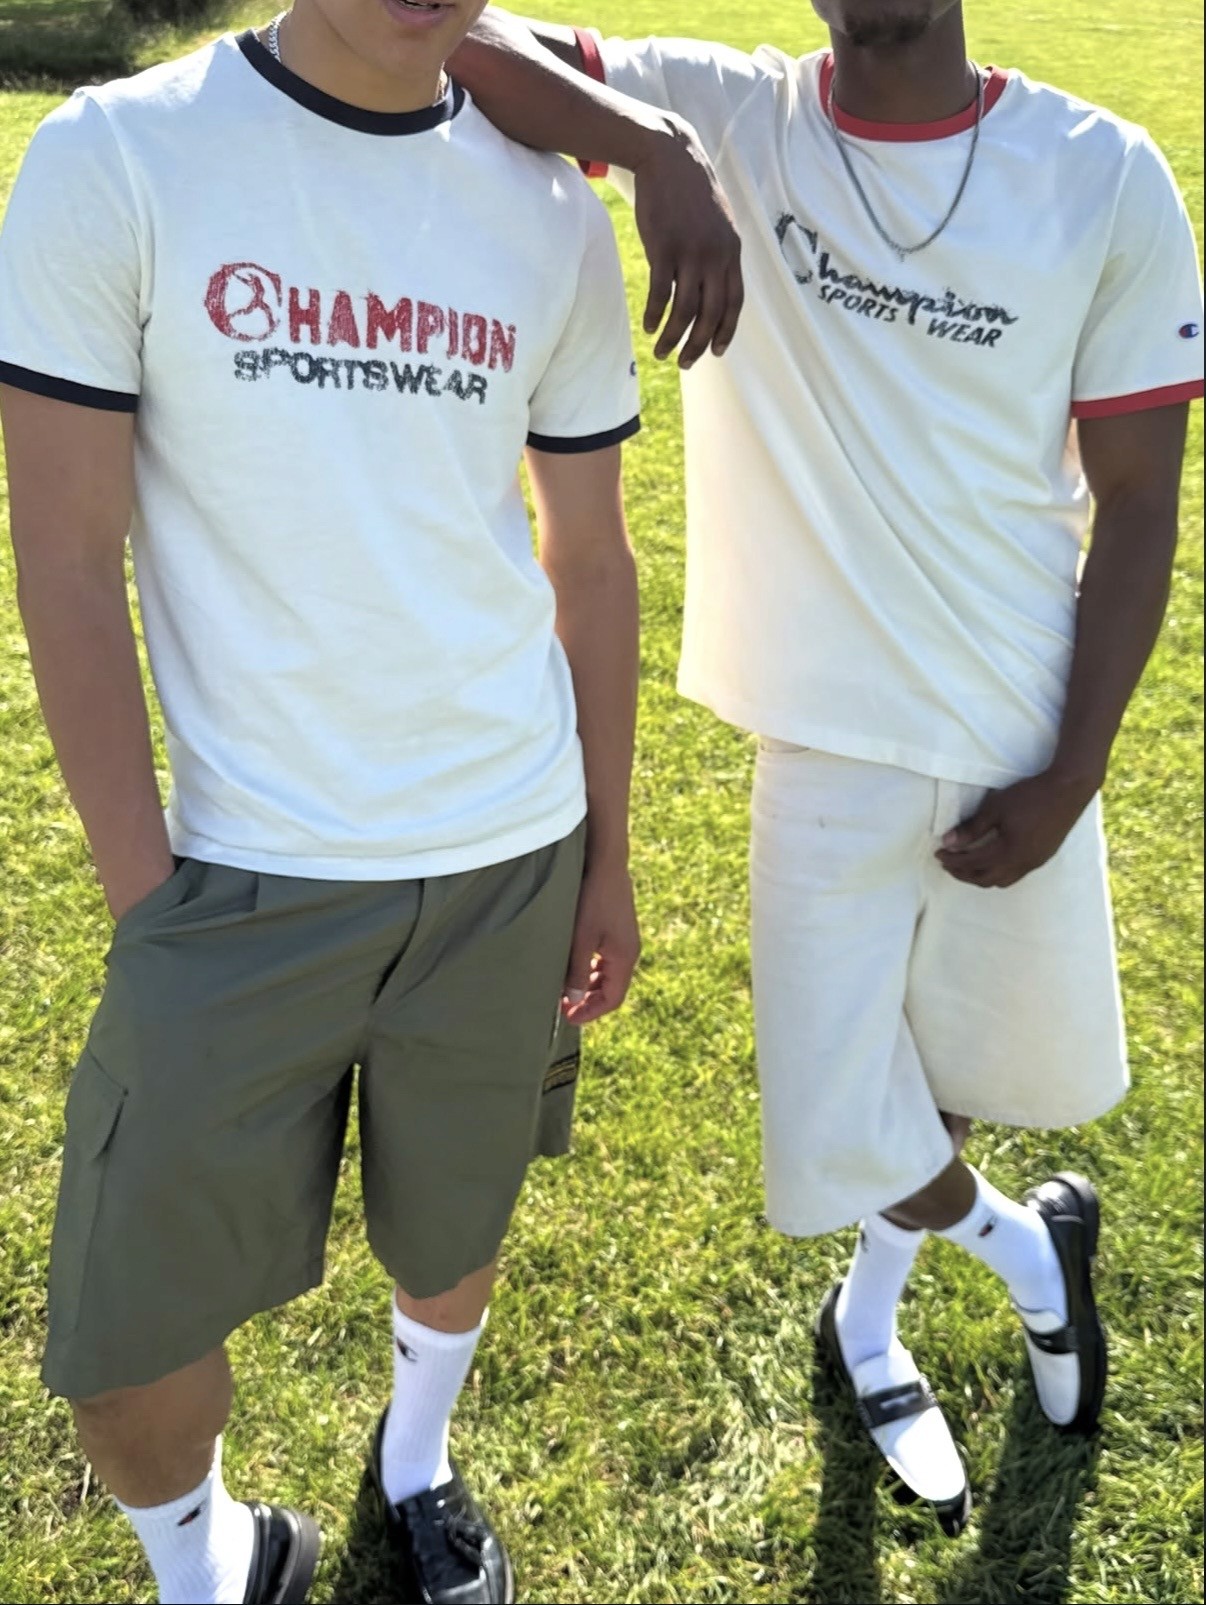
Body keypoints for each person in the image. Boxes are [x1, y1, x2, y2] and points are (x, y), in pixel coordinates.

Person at [0, 4, 742, 1602]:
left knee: (451, 1223)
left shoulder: (543, 210)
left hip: (507, 854)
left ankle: (414, 1459)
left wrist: (608, 850)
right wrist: (150, 902)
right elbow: (64, 552)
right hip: (237, 881)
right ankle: (207, 1566)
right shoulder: (119, 155)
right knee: (123, 1361)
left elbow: (589, 557)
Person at [450, 0, 1206, 1530]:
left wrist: (1068, 775)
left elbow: (1136, 500)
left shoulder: (1102, 170)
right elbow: (452, 36)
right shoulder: (729, 115)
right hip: (821, 733)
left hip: (1016, 718)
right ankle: (1022, 1252)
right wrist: (651, 152)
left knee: (943, 1073)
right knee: (829, 1108)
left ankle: (868, 1319)